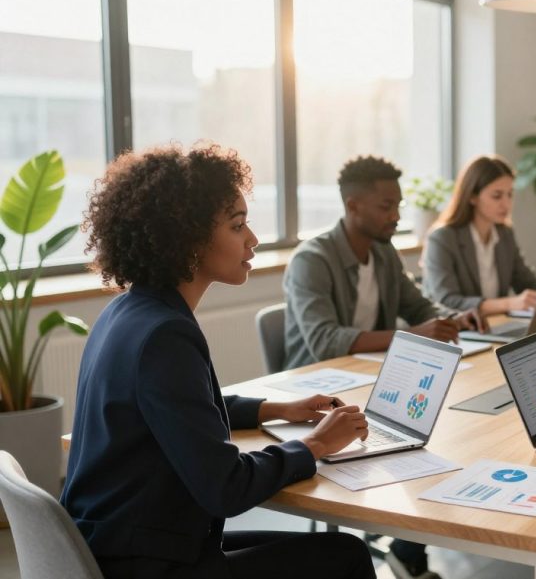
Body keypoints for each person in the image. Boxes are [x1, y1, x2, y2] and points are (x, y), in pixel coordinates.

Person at [60, 145, 375, 579]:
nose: (253, 239)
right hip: (147, 563)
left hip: (119, 543)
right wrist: (315, 445)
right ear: (186, 238)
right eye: (237, 225)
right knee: (346, 558)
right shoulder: (165, 335)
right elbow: (225, 487)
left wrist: (276, 409)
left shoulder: (127, 312)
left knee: (333, 549)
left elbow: (181, 411)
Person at [283, 155, 479, 579]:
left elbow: (418, 306)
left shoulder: (384, 254)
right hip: (320, 394)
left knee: (437, 432)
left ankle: (408, 547)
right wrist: (413, 336)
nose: (396, 216)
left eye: (399, 206)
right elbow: (325, 340)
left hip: (378, 380)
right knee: (423, 435)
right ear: (353, 207)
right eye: (386, 206)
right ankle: (407, 548)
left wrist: (450, 318)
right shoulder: (311, 260)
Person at [423, 155, 536, 316]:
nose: (506, 204)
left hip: (496, 324)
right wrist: (508, 303)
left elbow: (527, 283)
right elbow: (447, 300)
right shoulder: (442, 238)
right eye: (497, 196)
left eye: (510, 194)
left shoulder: (504, 233)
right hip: (458, 332)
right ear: (472, 197)